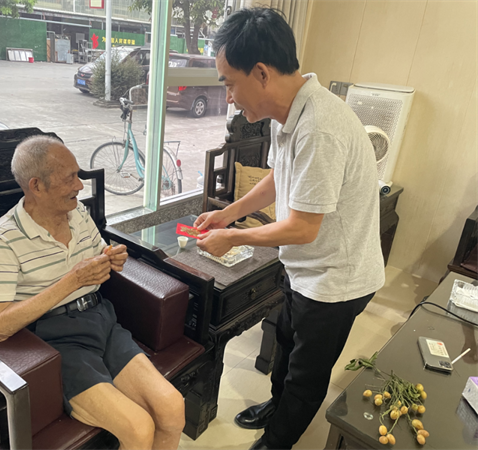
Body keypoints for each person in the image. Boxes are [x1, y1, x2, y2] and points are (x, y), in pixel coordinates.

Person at [194, 8, 385, 450]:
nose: (229, 98)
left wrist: (233, 237)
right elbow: (279, 178)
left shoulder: (320, 127)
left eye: (229, 83)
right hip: (306, 268)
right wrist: (229, 213)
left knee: (305, 373)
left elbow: (302, 229)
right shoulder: (289, 115)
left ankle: (276, 441)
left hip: (337, 279)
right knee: (284, 341)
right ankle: (276, 406)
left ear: (261, 73)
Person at [0, 136, 185, 450]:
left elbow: (98, 252)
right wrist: (72, 281)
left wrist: (111, 257)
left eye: (78, 174)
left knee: (172, 408)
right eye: (69, 178)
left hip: (101, 320)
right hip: (57, 339)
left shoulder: (77, 213)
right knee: (139, 428)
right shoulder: (4, 237)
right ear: (36, 186)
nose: (79, 186)